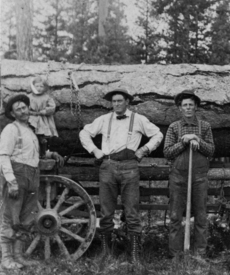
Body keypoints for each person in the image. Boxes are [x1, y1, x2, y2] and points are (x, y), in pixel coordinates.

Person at [79, 88, 163, 263]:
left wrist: (144, 149)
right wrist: (95, 150)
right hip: (107, 166)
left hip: (130, 167)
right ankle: (106, 253)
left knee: (132, 211)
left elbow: (158, 134)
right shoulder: (104, 119)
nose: (116, 104)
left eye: (119, 101)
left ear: (127, 102)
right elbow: (84, 133)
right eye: (114, 101)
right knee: (106, 211)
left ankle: (134, 255)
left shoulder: (138, 119)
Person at [0, 94, 64, 270]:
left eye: (24, 107)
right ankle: (6, 259)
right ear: (12, 114)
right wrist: (11, 181)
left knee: (26, 218)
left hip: (32, 175)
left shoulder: (30, 129)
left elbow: (35, 152)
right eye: (18, 109)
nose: (23, 111)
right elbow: (3, 156)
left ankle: (19, 256)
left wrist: (50, 154)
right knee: (10, 217)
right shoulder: (10, 130)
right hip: (17, 174)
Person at [164, 90, 215, 260]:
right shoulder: (174, 127)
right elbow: (167, 153)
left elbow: (211, 151)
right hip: (178, 176)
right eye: (184, 105)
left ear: (196, 107)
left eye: (190, 105)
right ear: (180, 108)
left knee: (200, 215)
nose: (187, 108)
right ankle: (176, 254)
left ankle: (199, 253)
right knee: (175, 216)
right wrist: (183, 141)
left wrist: (197, 140)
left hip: (199, 176)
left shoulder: (205, 126)